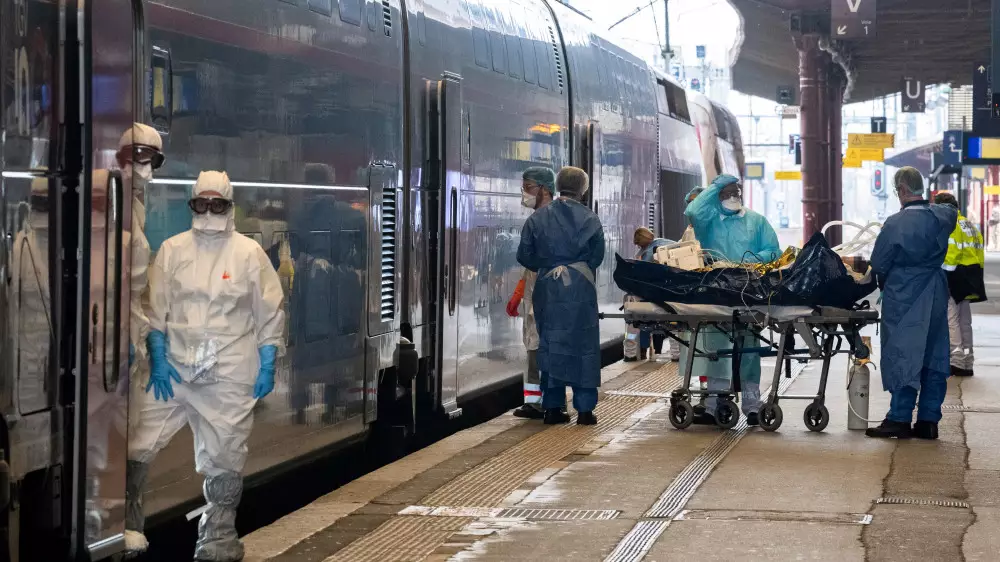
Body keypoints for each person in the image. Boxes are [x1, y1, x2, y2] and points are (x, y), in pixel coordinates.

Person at [125, 171, 285, 560]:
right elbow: (155, 309)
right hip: (174, 371)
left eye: (217, 204)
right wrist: (157, 357)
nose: (209, 212)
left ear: (230, 207)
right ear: (192, 205)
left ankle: (218, 539)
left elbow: (269, 311)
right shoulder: (173, 250)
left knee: (225, 454)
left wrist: (267, 361)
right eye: (201, 204)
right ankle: (123, 530)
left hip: (228, 373)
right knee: (135, 441)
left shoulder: (249, 254)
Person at [867, 167, 956, 440]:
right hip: (936, 289)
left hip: (905, 292)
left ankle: (899, 418)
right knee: (934, 353)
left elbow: (879, 263)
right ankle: (928, 421)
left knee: (903, 352)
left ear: (903, 190)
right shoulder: (942, 217)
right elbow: (947, 209)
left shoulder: (895, 224)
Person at [684, 174, 780, 426]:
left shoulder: (756, 221)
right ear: (716, 197)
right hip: (717, 291)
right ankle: (713, 404)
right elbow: (692, 211)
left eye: (736, 191)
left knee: (749, 350)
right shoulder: (708, 222)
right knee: (716, 351)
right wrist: (716, 184)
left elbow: (773, 251)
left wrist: (750, 261)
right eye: (726, 193)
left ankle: (752, 405)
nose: (733, 196)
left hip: (748, 291)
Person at [517, 166, 605, 425]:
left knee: (550, 344)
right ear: (583, 189)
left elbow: (524, 255)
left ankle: (553, 409)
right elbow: (597, 257)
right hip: (581, 287)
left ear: (557, 185)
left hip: (548, 287)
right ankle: (585, 411)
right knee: (584, 345)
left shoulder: (537, 218)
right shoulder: (590, 218)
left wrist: (547, 266)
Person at [508, 167, 557, 419]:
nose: (524, 193)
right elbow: (528, 267)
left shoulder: (547, 221)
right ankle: (534, 402)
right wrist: (519, 291)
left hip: (543, 296)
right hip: (534, 294)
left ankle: (544, 403)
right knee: (533, 348)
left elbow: (529, 258)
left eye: (529, 187)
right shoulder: (539, 219)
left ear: (544, 189)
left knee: (540, 349)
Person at [934, 192, 986, 378]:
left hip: (954, 274)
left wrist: (943, 274)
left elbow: (952, 253)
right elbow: (979, 251)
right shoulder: (968, 224)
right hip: (971, 274)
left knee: (952, 318)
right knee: (965, 321)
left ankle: (956, 361)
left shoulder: (951, 224)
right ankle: (967, 360)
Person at [630, 227, 671, 361]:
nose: (638, 247)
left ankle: (642, 351)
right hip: (670, 290)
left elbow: (641, 271)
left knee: (644, 320)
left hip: (654, 292)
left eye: (638, 244)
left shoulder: (648, 252)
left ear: (642, 242)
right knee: (670, 324)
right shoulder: (663, 242)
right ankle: (667, 352)